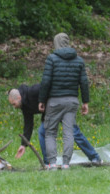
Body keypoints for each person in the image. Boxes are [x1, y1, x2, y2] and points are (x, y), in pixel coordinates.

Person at [8, 84, 101, 166]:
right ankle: (48, 163)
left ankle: (95, 158)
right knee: (43, 132)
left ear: (19, 98)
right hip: (51, 113)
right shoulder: (24, 106)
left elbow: (50, 90)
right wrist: (23, 145)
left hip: (61, 105)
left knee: (74, 132)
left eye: (14, 104)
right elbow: (28, 125)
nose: (14, 107)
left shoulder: (34, 91)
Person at [39, 33, 92, 170]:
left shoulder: (51, 59)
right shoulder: (79, 60)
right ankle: (66, 163)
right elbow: (84, 82)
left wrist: (42, 100)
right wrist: (85, 101)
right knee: (68, 133)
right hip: (72, 101)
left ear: (55, 43)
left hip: (54, 101)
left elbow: (46, 81)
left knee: (50, 132)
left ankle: (52, 163)